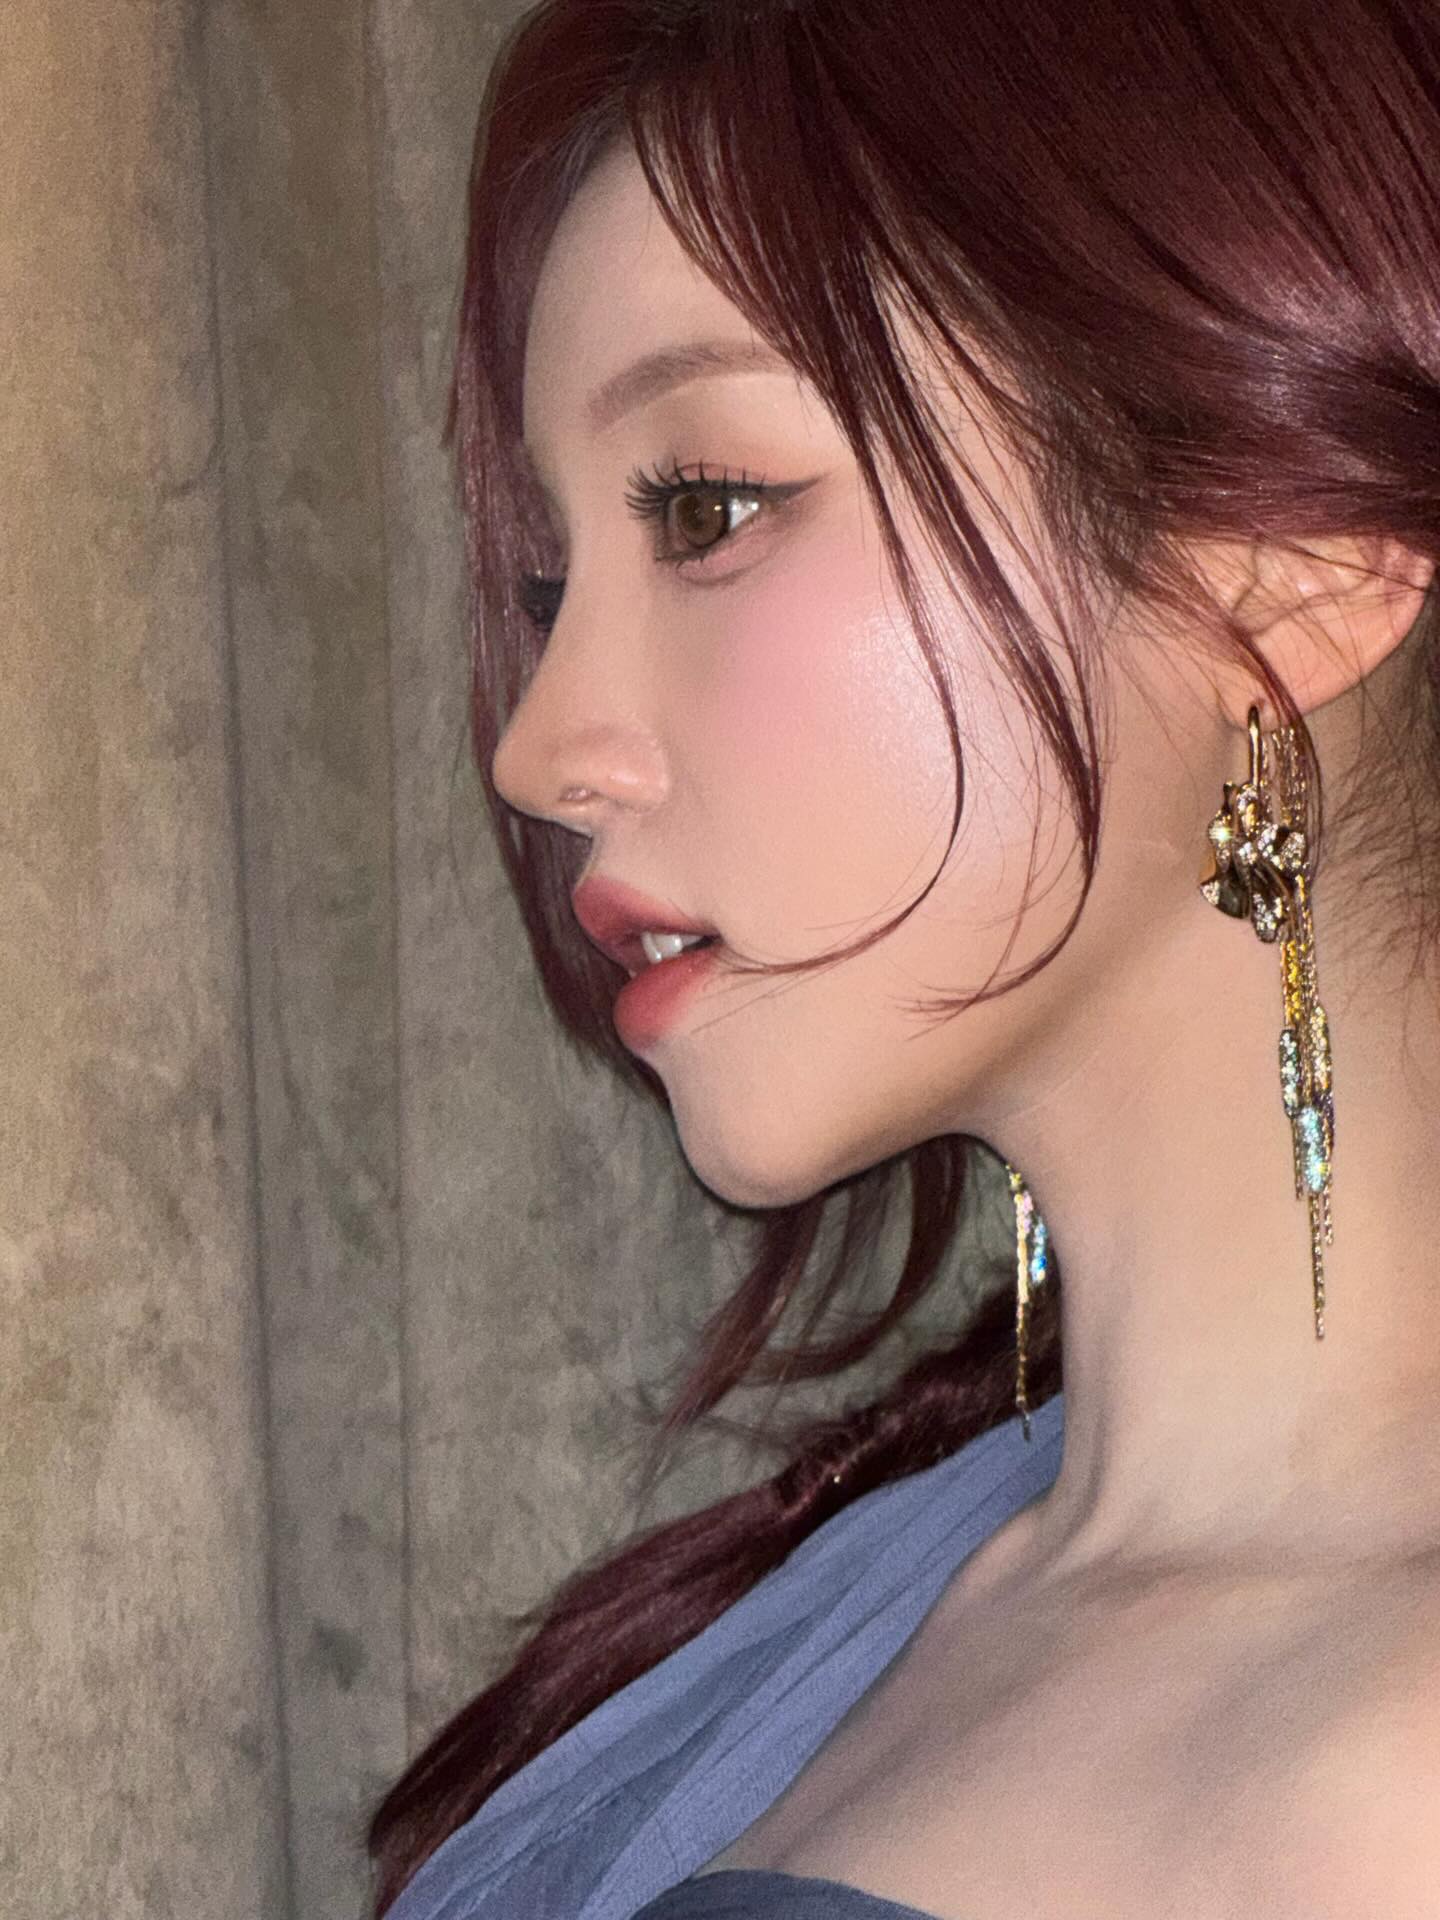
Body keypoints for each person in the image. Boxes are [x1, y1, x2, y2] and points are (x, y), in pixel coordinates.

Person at [367, 2, 1440, 1914]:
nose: (537, 749)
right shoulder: (857, 1592)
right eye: (546, 585)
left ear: (1291, 557)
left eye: (706, 509)